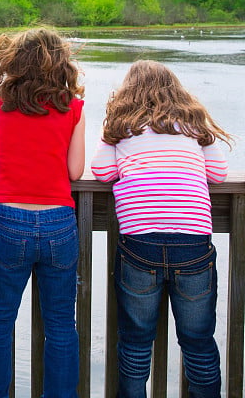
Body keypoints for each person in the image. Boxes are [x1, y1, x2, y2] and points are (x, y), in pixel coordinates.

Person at [91, 59, 231, 398]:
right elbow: (219, 173)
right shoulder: (194, 124)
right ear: (176, 90)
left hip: (140, 245)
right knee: (197, 341)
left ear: (128, 91)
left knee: (136, 344)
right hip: (193, 246)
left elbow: (101, 172)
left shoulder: (120, 125)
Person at [0, 27, 86, 398]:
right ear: (60, 65)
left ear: (14, 64)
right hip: (59, 223)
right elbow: (75, 173)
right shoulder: (72, 108)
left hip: (11, 221)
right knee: (62, 326)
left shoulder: (3, 105)